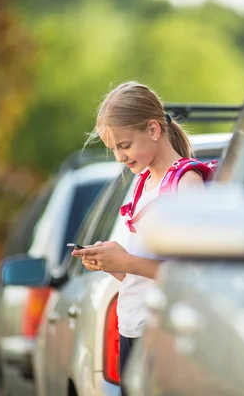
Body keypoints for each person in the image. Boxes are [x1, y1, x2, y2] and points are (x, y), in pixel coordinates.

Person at [71, 81, 205, 380]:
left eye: (124, 145)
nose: (119, 157)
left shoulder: (186, 184)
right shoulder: (143, 185)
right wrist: (112, 264)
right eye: (114, 149)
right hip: (132, 330)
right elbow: (142, 273)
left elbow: (193, 275)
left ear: (154, 130)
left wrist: (128, 262)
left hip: (165, 336)